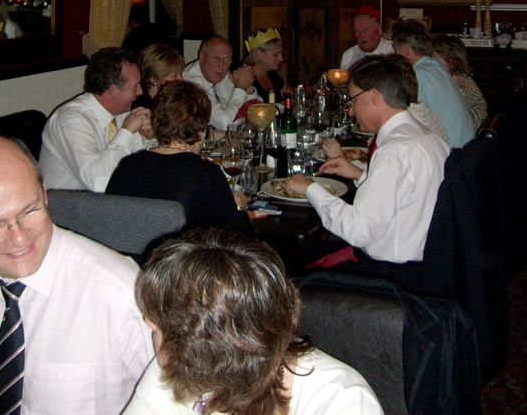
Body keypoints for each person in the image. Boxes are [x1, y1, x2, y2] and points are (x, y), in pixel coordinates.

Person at [0, 136, 153, 414]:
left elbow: (178, 402)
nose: (19, 239)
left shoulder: (121, 291)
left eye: (30, 211)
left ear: (44, 193)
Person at [125, 227, 383, 415]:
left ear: (217, 343)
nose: (148, 321)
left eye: (166, 319)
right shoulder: (180, 368)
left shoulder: (340, 401)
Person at [284, 55, 449, 264]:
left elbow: (357, 231)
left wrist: (309, 188)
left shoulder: (393, 151)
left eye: (354, 100)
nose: (351, 110)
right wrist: (360, 175)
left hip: (392, 269)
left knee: (293, 261)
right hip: (427, 259)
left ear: (374, 96)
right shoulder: (428, 137)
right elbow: (402, 195)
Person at [106, 81, 251, 234]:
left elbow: (108, 220)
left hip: (127, 248)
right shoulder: (205, 174)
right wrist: (239, 207)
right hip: (179, 249)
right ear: (201, 131)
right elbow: (241, 236)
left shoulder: (128, 165)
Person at [40, 47, 152, 192]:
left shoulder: (121, 113)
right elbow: (100, 184)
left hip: (106, 200)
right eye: (135, 86)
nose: (140, 92)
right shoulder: (72, 121)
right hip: (67, 204)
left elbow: (142, 166)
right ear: (113, 90)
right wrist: (126, 132)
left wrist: (149, 138)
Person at [392, 20, 474, 148]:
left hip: (451, 153)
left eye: (395, 49)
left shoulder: (416, 75)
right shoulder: (437, 67)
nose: (394, 54)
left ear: (406, 50)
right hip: (469, 149)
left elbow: (407, 122)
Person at [183, 35, 260, 130]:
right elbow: (227, 125)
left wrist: (248, 89)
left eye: (226, 59)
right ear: (202, 57)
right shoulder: (191, 82)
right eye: (216, 58)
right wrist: (240, 88)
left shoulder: (223, 75)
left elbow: (258, 115)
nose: (221, 65)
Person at [431, 34, 488, 131]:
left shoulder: (463, 89)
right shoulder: (456, 81)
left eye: (435, 59)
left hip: (464, 137)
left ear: (450, 61)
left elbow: (439, 120)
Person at [132, 42, 185, 111]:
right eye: (174, 76)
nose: (181, 79)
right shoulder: (141, 108)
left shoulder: (181, 98)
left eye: (181, 73)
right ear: (153, 79)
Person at [243, 27, 293, 101]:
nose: (281, 59)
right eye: (275, 55)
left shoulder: (271, 73)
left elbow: (291, 93)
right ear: (259, 54)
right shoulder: (244, 76)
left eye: (281, 54)